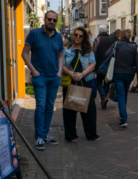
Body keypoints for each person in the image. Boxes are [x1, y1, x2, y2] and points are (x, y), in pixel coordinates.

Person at [22, 10, 64, 151]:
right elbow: (24, 53)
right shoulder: (34, 33)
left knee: (49, 106)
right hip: (40, 77)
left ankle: (45, 134)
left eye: (54, 20)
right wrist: (33, 71)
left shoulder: (58, 37)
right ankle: (39, 136)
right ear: (44, 20)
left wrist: (59, 71)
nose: (52, 22)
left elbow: (60, 55)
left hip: (54, 77)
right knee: (40, 106)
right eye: (49, 19)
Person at [62, 27, 99, 142]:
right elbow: (62, 65)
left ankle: (91, 134)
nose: (77, 37)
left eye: (80, 36)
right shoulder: (66, 51)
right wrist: (71, 73)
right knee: (69, 109)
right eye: (76, 35)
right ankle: (71, 135)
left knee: (89, 109)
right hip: (70, 81)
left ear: (84, 38)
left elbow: (92, 65)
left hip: (85, 80)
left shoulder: (88, 51)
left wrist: (82, 74)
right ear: (73, 36)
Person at [107, 33, 138, 127]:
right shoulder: (133, 47)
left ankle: (123, 118)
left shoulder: (116, 45)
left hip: (117, 73)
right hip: (129, 74)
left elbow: (106, 54)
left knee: (121, 95)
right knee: (124, 93)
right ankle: (123, 115)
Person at [93, 25, 116, 108]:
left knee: (98, 81)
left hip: (100, 65)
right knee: (106, 83)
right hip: (110, 66)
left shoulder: (97, 39)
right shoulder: (112, 40)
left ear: (100, 31)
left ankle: (103, 97)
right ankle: (104, 99)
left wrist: (94, 66)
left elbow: (94, 53)